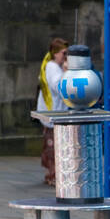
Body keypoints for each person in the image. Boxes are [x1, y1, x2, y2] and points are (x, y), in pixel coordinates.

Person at [36, 37, 68, 185]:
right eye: (64, 53)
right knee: (52, 146)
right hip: (52, 112)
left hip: (56, 111)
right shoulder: (52, 67)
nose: (65, 57)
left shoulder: (54, 66)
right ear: (56, 53)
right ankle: (52, 175)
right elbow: (57, 86)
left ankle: (53, 174)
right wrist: (66, 72)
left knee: (55, 145)